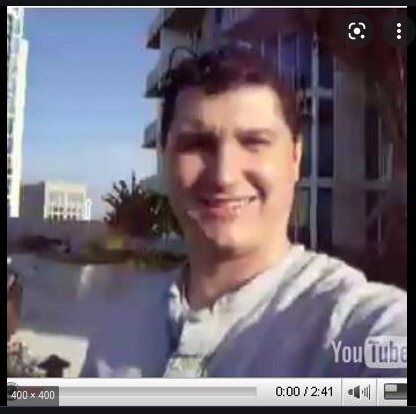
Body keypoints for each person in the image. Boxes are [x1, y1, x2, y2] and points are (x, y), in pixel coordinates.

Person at [80, 46, 406, 377]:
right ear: (165, 158)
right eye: (197, 144)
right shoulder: (121, 324)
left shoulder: (349, 324)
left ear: (295, 159)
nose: (224, 175)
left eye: (254, 142)